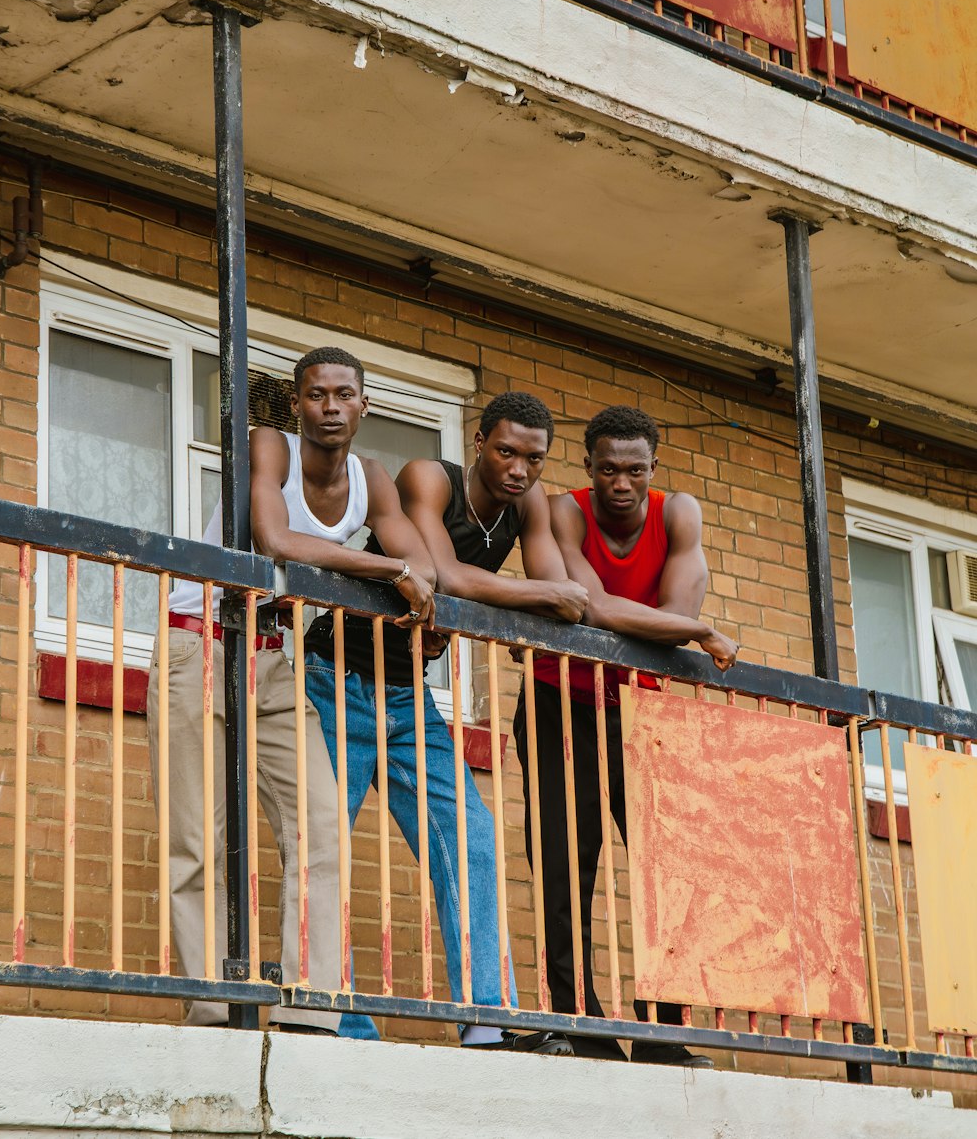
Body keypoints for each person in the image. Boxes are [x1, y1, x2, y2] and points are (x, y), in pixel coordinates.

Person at [147, 345, 434, 1031]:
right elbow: (275, 540)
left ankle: (311, 1009)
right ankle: (213, 1006)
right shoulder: (268, 446)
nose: (330, 407)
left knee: (321, 828)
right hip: (202, 645)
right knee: (198, 838)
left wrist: (403, 569)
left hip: (275, 657)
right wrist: (389, 569)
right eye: (316, 395)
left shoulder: (371, 479)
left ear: (365, 405)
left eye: (343, 394)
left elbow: (422, 565)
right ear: (298, 404)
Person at [305, 391, 588, 1052]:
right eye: (507, 451)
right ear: (480, 442)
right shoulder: (429, 478)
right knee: (324, 850)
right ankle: (337, 1018)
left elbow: (563, 604)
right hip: (335, 677)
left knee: (474, 842)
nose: (519, 469)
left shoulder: (529, 508)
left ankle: (488, 1021)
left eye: (534, 460)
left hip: (408, 696)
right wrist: (546, 594)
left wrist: (551, 596)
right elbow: (446, 575)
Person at [515, 404, 739, 1065]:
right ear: (588, 468)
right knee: (563, 861)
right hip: (560, 700)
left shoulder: (679, 515)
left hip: (644, 717)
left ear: (652, 470)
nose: (621, 483)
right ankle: (578, 1023)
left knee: (662, 871)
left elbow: (674, 610)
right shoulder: (565, 512)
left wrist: (683, 625)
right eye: (608, 469)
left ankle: (664, 1034)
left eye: (635, 471)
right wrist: (696, 633)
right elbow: (596, 607)